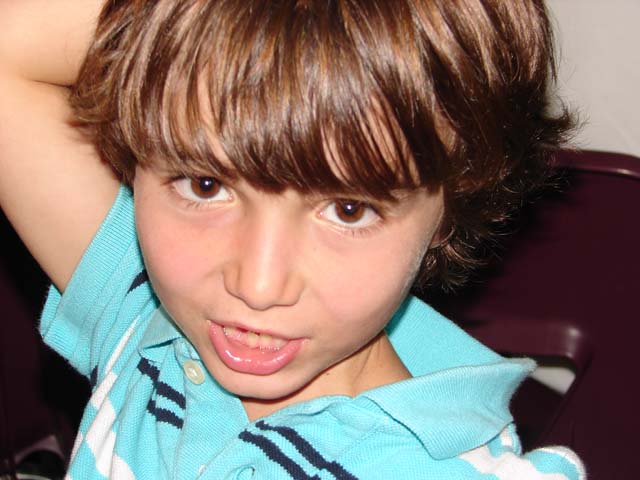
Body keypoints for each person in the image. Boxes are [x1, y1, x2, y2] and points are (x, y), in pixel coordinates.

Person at [0, 0, 585, 478]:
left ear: (451, 204)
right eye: (206, 185)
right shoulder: (140, 314)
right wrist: (201, 26)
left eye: (348, 209)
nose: (257, 286)